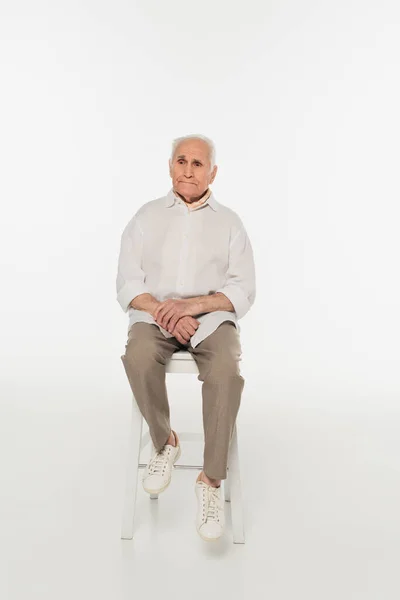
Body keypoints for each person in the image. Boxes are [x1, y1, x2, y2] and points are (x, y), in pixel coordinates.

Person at [116, 134, 256, 541]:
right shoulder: (145, 217)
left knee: (227, 373)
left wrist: (191, 308)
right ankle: (165, 442)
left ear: (213, 172)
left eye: (198, 163)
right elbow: (127, 283)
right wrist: (166, 312)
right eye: (182, 161)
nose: (189, 170)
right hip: (155, 317)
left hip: (211, 320)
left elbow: (243, 288)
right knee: (138, 356)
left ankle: (210, 480)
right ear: (170, 166)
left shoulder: (230, 222)